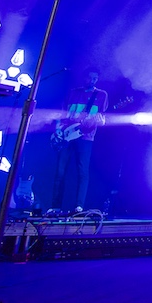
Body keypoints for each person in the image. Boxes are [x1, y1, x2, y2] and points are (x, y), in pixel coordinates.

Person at [49, 69, 107, 214]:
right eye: (90, 77)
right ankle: (55, 207)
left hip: (86, 137)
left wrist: (100, 121)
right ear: (84, 77)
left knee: (83, 172)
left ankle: (79, 206)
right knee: (60, 172)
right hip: (66, 134)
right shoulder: (72, 92)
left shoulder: (101, 95)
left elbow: (102, 117)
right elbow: (61, 113)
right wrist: (58, 130)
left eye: (95, 78)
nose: (93, 81)